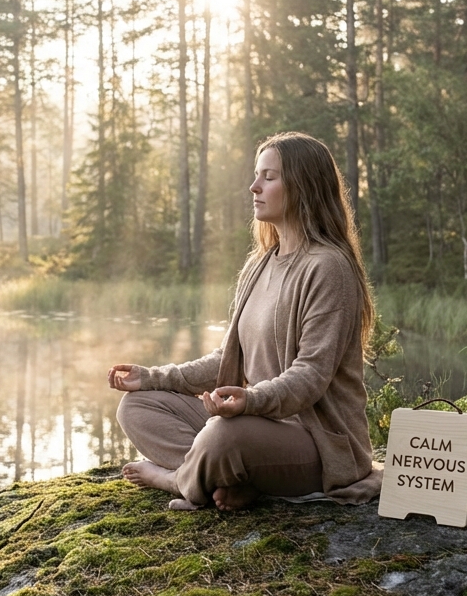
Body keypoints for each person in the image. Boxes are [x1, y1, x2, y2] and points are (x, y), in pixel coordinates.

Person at [109, 132, 382, 511]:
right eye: (257, 175)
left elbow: (311, 375)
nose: (254, 187)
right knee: (137, 407)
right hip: (259, 428)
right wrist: (153, 378)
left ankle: (177, 479)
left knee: (222, 436)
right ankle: (228, 478)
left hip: (317, 441)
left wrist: (250, 401)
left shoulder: (328, 267)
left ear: (303, 185)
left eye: (269, 177)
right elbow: (227, 358)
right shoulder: (259, 265)